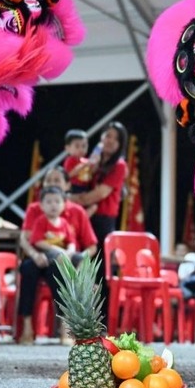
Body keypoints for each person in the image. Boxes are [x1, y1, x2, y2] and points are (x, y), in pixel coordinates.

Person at [18, 166, 98, 345]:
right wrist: (34, 254)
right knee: (28, 268)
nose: (52, 184)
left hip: (65, 262)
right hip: (39, 258)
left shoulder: (77, 211)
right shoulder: (35, 209)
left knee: (62, 267)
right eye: (49, 181)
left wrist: (76, 260)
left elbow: (91, 246)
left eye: (57, 181)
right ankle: (27, 326)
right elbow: (26, 238)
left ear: (68, 185)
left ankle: (66, 326)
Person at [69, 121, 128, 318]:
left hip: (103, 222)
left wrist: (69, 199)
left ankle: (101, 322)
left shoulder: (119, 166)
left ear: (121, 144)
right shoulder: (92, 161)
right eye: (107, 135)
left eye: (115, 138)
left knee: (101, 271)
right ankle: (80, 319)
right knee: (82, 268)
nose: (110, 140)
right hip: (85, 218)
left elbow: (99, 194)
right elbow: (75, 178)